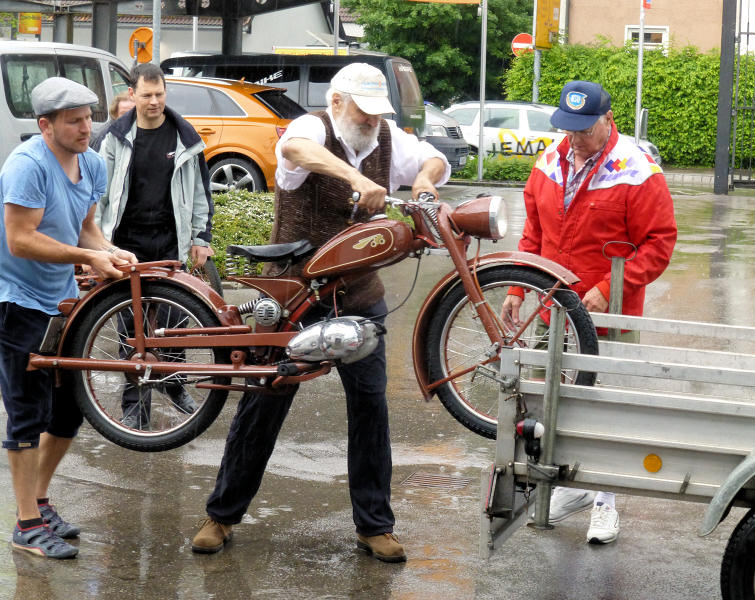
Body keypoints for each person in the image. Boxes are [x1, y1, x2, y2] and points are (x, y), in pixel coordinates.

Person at [190, 62, 450, 562]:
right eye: (364, 111)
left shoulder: (388, 137)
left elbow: (434, 158)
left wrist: (423, 182)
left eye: (379, 114)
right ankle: (221, 516)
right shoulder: (313, 127)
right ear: (336, 102)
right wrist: (354, 177)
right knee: (265, 402)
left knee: (371, 407)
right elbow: (294, 149)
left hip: (358, 293)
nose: (372, 121)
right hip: (294, 293)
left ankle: (374, 526)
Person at [501, 80, 677, 544]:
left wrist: (607, 288)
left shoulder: (636, 169)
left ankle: (604, 500)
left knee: (607, 409)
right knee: (549, 405)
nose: (573, 138)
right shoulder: (548, 164)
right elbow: (532, 236)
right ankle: (568, 489)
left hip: (608, 316)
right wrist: (518, 287)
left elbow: (660, 242)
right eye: (567, 128)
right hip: (551, 310)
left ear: (607, 119)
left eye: (583, 129)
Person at [0, 77, 137, 559]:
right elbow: (20, 239)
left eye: (89, 117)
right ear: (45, 125)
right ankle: (25, 525)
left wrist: (110, 252)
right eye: (74, 120)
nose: (87, 127)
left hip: (60, 299)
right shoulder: (26, 167)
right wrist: (86, 255)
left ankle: (38, 500)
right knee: (25, 414)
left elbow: (88, 229)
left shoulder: (92, 162)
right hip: (15, 301)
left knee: (67, 410)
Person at [95, 62, 215, 429]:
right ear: (131, 94)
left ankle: (174, 384)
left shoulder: (185, 138)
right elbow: (99, 195)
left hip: (169, 240)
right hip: (126, 243)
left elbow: (200, 193)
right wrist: (99, 245)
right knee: (132, 328)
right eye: (146, 95)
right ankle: (136, 403)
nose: (154, 101)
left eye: (159, 94)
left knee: (174, 323)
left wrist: (200, 238)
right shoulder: (114, 138)